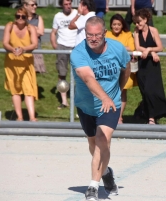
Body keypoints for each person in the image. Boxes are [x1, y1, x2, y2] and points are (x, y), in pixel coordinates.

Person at [70, 16, 131, 201]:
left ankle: (93, 187)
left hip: (110, 105)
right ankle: (106, 173)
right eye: (90, 35)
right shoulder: (78, 54)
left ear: (104, 33)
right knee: (92, 144)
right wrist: (103, 96)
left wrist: (115, 93)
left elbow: (126, 69)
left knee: (101, 141)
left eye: (97, 35)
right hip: (87, 106)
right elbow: (88, 78)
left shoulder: (117, 48)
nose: (93, 38)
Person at [133, 8, 166, 124]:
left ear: (145, 20)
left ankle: (152, 117)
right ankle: (142, 111)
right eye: (135, 22)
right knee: (145, 92)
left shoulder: (153, 30)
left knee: (152, 91)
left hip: (152, 65)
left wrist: (150, 50)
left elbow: (160, 47)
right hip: (142, 65)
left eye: (139, 22)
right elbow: (138, 47)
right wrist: (150, 52)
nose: (137, 24)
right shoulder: (136, 31)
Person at [2, 7, 38, 121]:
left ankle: (32, 117)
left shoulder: (30, 28)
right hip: (12, 62)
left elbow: (34, 44)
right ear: (15, 17)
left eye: (23, 16)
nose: (20, 19)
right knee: (15, 89)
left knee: (29, 90)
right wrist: (13, 49)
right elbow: (5, 43)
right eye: (18, 16)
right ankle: (20, 117)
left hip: (26, 62)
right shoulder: (10, 26)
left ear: (27, 18)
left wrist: (23, 49)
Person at [106, 13, 137, 124]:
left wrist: (115, 47)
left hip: (124, 67)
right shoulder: (107, 34)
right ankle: (109, 114)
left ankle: (119, 117)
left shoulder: (127, 34)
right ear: (111, 25)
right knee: (109, 92)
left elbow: (132, 48)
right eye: (114, 24)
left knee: (122, 92)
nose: (116, 26)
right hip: (110, 68)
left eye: (119, 24)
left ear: (122, 25)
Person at [50, 0, 77, 109]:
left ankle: (78, 100)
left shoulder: (76, 14)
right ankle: (64, 101)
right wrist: (54, 45)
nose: (68, 6)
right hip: (62, 46)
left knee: (79, 73)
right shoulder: (58, 16)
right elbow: (53, 32)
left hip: (75, 46)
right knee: (62, 73)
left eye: (69, 4)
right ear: (61, 5)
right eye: (66, 4)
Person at [23, 0, 46, 73]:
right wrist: (35, 29)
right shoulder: (21, 17)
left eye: (36, 4)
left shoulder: (38, 18)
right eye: (32, 5)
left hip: (36, 49)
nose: (35, 6)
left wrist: (28, 28)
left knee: (34, 72)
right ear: (25, 6)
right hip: (23, 48)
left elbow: (41, 32)